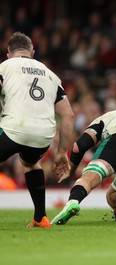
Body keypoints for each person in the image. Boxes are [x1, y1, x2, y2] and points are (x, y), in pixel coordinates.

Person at [0, 32, 75, 228]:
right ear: (32, 52)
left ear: (9, 54)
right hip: (43, 136)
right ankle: (40, 218)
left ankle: (40, 218)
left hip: (13, 127)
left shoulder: (5, 67)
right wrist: (61, 153)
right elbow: (68, 115)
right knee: (31, 164)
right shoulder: (51, 74)